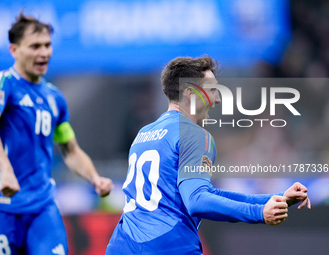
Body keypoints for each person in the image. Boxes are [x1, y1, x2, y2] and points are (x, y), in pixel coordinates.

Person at [106, 56, 311, 254]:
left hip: (122, 245)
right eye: (212, 90)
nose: (218, 99)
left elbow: (205, 192)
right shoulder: (193, 133)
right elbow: (197, 200)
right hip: (169, 245)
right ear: (190, 93)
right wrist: (258, 213)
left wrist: (272, 200)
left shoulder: (144, 134)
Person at [0, 11, 113, 255]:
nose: (43, 52)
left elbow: (70, 150)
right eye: (35, 46)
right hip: (2, 205)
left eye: (47, 45)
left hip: (43, 207)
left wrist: (94, 178)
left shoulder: (54, 98)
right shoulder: (3, 83)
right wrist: (5, 168)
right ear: (14, 50)